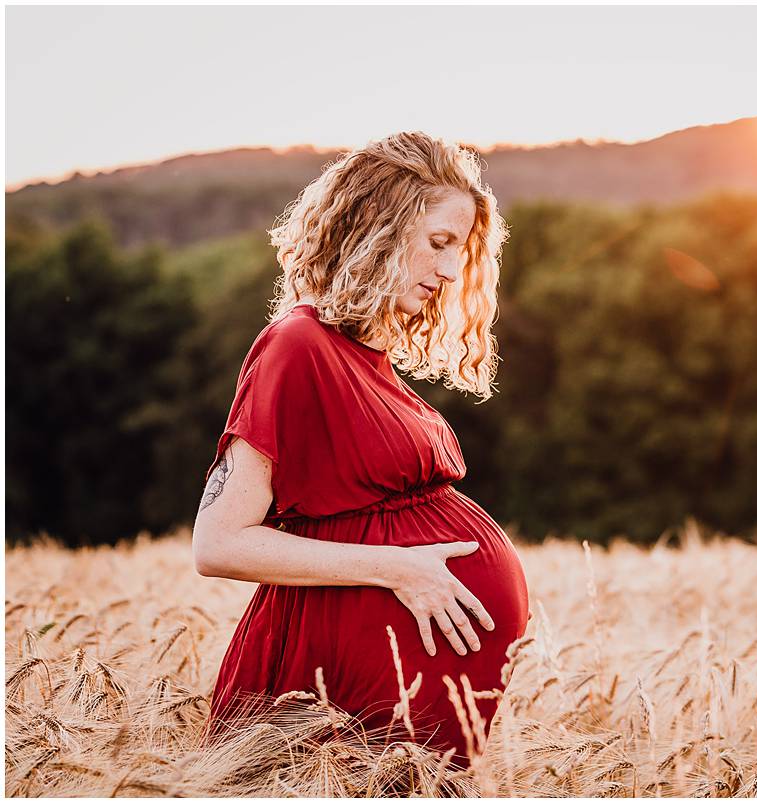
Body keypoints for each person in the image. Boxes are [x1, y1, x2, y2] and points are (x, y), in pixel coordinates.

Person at [191, 132, 530, 768]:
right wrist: (399, 568)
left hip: (399, 714)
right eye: (438, 243)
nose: (452, 271)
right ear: (375, 228)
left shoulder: (364, 354)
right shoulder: (297, 347)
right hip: (332, 703)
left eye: (461, 249)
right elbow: (218, 544)